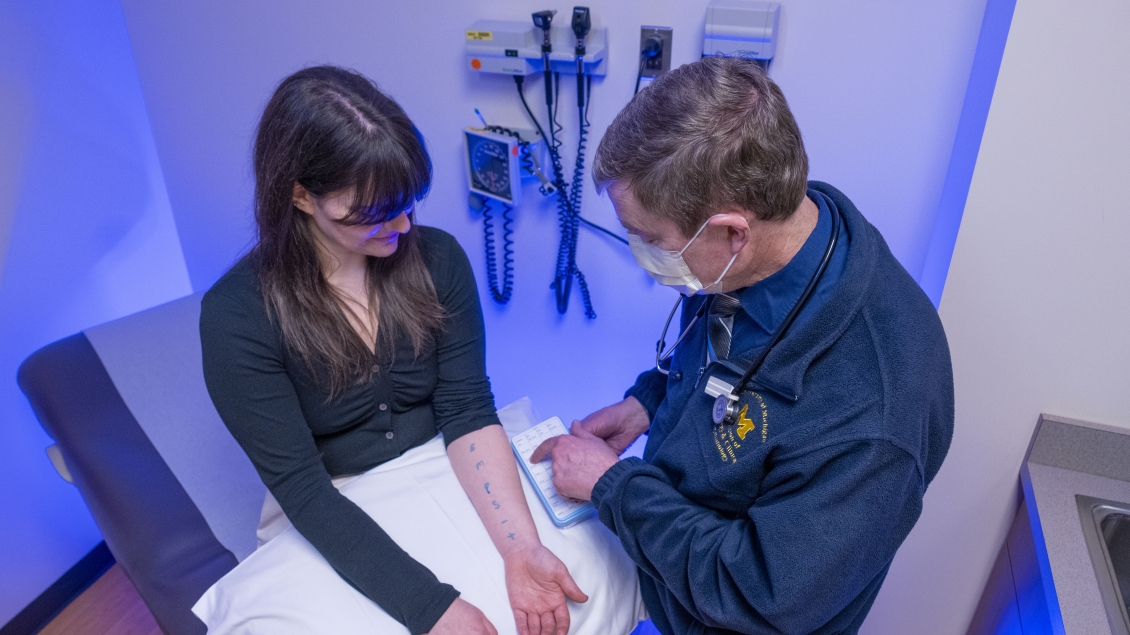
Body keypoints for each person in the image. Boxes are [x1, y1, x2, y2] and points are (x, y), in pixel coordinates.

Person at [531, 57, 954, 635]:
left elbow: (760, 595)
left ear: (733, 231)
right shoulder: (780, 234)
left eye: (650, 239)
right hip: (665, 578)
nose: (641, 254)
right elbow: (723, 351)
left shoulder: (874, 417)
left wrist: (615, 486)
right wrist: (651, 402)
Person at [199, 66, 591, 635]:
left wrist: (520, 549)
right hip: (331, 502)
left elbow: (466, 410)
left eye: (408, 203)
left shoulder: (438, 259)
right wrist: (429, 608)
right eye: (373, 215)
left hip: (447, 461)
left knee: (582, 570)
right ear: (301, 196)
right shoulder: (238, 315)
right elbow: (304, 489)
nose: (404, 226)